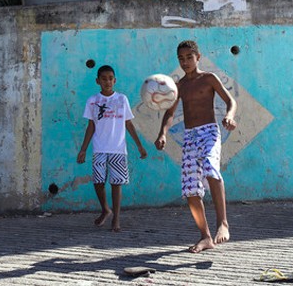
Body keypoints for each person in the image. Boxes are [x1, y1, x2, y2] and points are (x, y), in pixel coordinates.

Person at [155, 40, 237, 253]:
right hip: (190, 136)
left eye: (189, 57)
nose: (185, 62)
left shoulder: (208, 78)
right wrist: (162, 133)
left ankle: (223, 223)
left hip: (209, 131)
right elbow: (170, 113)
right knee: (190, 189)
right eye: (181, 59)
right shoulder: (179, 86)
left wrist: (229, 116)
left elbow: (231, 101)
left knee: (211, 168)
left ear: (198, 57)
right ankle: (206, 237)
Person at [77, 65, 147, 232]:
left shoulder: (122, 99)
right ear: (98, 81)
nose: (107, 81)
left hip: (118, 149)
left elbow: (128, 123)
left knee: (116, 183)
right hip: (100, 148)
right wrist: (83, 149)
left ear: (114, 81)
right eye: (104, 79)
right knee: (98, 182)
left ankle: (116, 217)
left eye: (110, 78)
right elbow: (91, 126)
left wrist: (139, 146)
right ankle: (105, 209)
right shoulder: (93, 100)